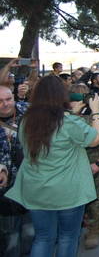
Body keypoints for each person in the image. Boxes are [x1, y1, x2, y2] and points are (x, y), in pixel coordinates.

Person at [6, 75, 99, 257]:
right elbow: (96, 138)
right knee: (68, 237)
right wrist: (95, 112)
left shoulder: (26, 120)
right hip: (68, 192)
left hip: (36, 189)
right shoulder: (67, 122)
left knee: (43, 238)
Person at [68, 83, 99, 249]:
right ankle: (98, 223)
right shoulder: (66, 118)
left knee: (97, 200)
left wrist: (98, 164)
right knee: (84, 199)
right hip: (79, 166)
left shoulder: (97, 118)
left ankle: (95, 229)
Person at [0, 85, 31, 257]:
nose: (5, 104)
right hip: (5, 191)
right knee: (9, 235)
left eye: (8, 99)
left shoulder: (28, 111)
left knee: (31, 232)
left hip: (31, 182)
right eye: (0, 101)